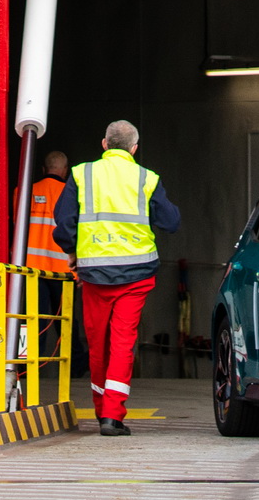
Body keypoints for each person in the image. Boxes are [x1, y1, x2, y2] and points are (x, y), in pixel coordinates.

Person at [54, 120, 181, 436]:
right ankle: (112, 416)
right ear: (135, 148)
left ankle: (102, 412)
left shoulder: (82, 174)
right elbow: (171, 222)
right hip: (136, 275)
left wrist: (73, 251)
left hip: (94, 274)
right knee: (123, 343)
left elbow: (63, 220)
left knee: (97, 344)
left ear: (104, 144)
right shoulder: (146, 178)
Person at [22, 149, 70, 357]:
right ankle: (74, 368)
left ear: (44, 169)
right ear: (65, 171)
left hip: (31, 269)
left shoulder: (23, 192)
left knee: (31, 320)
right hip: (63, 270)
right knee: (66, 322)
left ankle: (25, 366)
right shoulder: (70, 194)